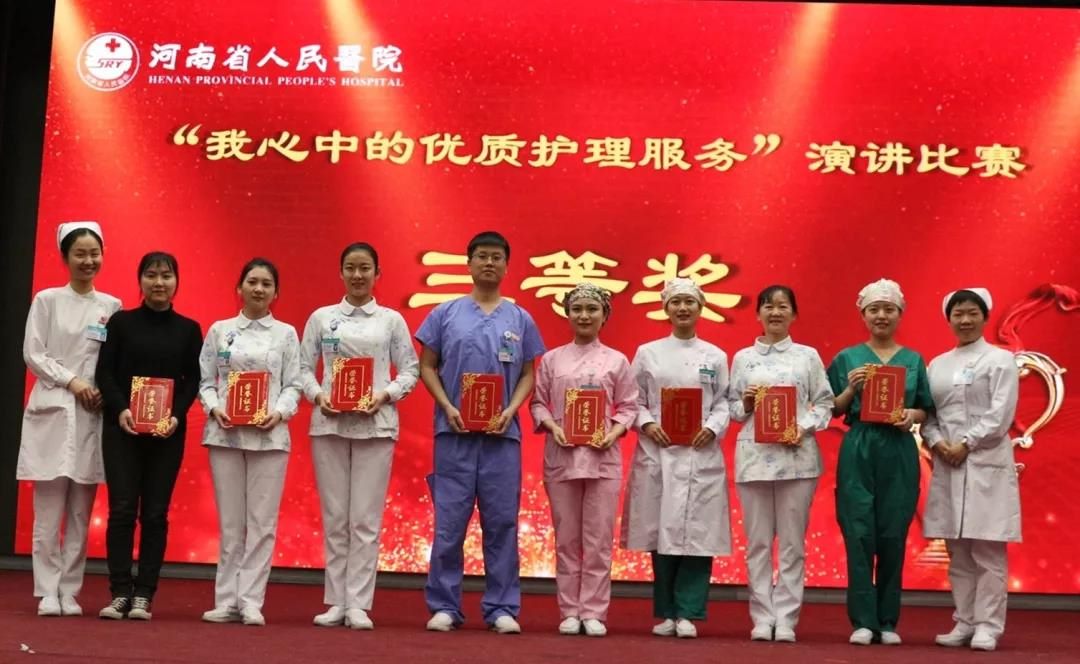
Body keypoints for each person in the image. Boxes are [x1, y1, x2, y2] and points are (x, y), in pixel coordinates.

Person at [417, 231, 545, 634]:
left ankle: (501, 607)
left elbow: (528, 373)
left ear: (507, 266)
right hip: (453, 434)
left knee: (502, 523)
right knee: (449, 524)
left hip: (502, 438)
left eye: (496, 257)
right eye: (482, 256)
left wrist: (511, 409)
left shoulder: (519, 318)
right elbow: (426, 366)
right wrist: (447, 406)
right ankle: (444, 605)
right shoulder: (446, 313)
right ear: (469, 263)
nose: (489, 263)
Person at [299, 242, 420, 630]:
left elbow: (411, 370)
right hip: (329, 425)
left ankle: (358, 604)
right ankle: (336, 601)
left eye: (365, 268)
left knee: (365, 520)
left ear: (377, 273)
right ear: (340, 272)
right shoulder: (322, 318)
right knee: (336, 518)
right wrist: (318, 396)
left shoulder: (390, 320)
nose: (357, 275)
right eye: (350, 267)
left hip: (376, 426)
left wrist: (385, 395)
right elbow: (302, 369)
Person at [19, 221, 121, 617]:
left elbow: (113, 360)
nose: (88, 260)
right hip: (53, 405)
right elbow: (34, 353)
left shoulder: (111, 306)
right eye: (80, 253)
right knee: (47, 511)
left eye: (94, 253)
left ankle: (69, 589)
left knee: (81, 509)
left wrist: (102, 390)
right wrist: (72, 381)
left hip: (92, 412)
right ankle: (47, 590)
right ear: (65, 257)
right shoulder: (47, 300)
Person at [621, 277, 731, 639]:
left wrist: (712, 427)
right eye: (676, 302)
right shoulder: (648, 352)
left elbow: (724, 402)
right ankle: (667, 612)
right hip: (660, 451)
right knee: (662, 531)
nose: (683, 308)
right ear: (665, 308)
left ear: (701, 308)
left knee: (698, 534)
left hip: (700, 453)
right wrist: (648, 424)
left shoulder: (715, 355)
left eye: (690, 302)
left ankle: (689, 612)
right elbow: (632, 399)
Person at [94, 252, 202, 621]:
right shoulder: (121, 323)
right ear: (140, 280)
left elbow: (193, 380)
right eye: (151, 275)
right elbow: (104, 373)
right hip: (122, 429)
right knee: (122, 511)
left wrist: (176, 415)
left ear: (177, 282)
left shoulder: (189, 329)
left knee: (155, 514)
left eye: (166, 275)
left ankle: (144, 594)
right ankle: (120, 592)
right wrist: (121, 408)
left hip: (167, 433)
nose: (159, 282)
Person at [827, 278, 933, 646]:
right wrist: (851, 388)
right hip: (859, 444)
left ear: (900, 314)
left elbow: (925, 408)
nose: (881, 315)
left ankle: (887, 621)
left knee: (893, 532)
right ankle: (862, 620)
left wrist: (910, 416)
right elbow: (830, 408)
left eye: (889, 309)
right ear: (863, 315)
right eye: (874, 309)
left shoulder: (913, 360)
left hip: (899, 448)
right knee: (858, 531)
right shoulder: (847, 358)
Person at [198, 258, 302, 626]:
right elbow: (205, 381)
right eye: (252, 282)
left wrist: (280, 412)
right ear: (239, 287)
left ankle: (251, 600)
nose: (258, 289)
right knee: (230, 523)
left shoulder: (286, 334)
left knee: (262, 522)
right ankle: (226, 599)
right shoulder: (220, 330)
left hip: (269, 436)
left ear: (276, 292)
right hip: (225, 434)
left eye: (266, 284)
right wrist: (215, 408)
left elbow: (294, 384)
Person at [529, 283, 638, 637]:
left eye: (592, 309)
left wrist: (614, 432)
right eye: (577, 309)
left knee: (598, 540)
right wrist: (552, 426)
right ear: (567, 314)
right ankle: (568, 610)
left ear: (605, 316)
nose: (584, 315)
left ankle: (593, 611)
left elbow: (629, 406)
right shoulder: (552, 359)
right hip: (562, 457)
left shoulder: (617, 361)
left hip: (602, 459)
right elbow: (538, 402)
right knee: (566, 539)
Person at [727, 285, 833, 642]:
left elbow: (825, 404)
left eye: (783, 306)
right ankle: (761, 617)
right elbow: (732, 410)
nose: (775, 312)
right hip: (754, 459)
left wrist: (801, 427)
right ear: (758, 313)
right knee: (757, 543)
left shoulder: (807, 356)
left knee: (792, 544)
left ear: (794, 314)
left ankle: (786, 618)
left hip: (797, 459)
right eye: (768, 307)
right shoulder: (743, 358)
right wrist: (745, 403)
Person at [921, 288, 1020, 652]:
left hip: (985, 462)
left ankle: (988, 626)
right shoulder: (937, 365)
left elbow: (1001, 413)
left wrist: (967, 442)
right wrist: (937, 442)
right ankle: (964, 621)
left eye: (971, 313)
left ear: (985, 316)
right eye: (958, 314)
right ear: (948, 319)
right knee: (958, 550)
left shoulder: (1001, 360)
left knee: (988, 550)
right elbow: (928, 414)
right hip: (948, 463)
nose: (964, 320)